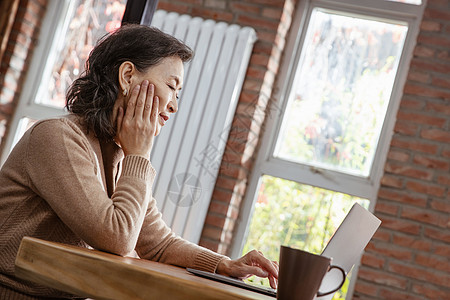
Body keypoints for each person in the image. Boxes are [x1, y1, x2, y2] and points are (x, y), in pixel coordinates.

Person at [0, 24, 278, 299]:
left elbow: (158, 243)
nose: (174, 105)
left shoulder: (118, 155)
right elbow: (117, 238)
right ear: (128, 76)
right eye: (171, 86)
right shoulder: (57, 137)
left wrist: (223, 264)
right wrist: (140, 154)